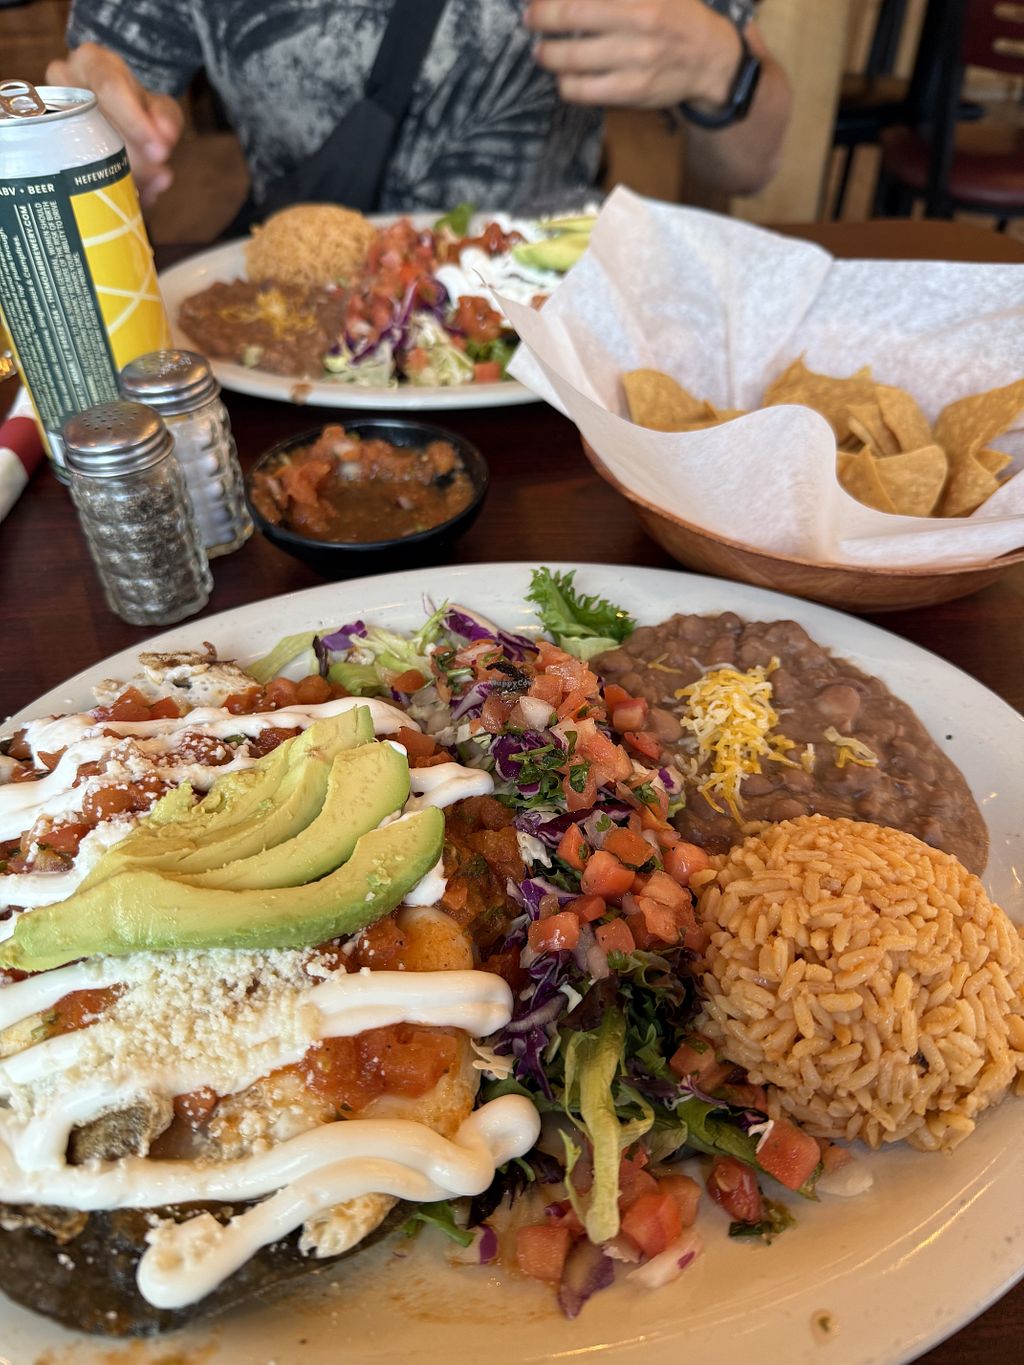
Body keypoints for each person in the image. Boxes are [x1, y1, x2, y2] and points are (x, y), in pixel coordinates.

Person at [46, 0, 791, 215]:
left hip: (554, 334)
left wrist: (720, 66)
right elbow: (103, 93)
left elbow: (749, 167)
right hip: (292, 320)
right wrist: (90, 141)